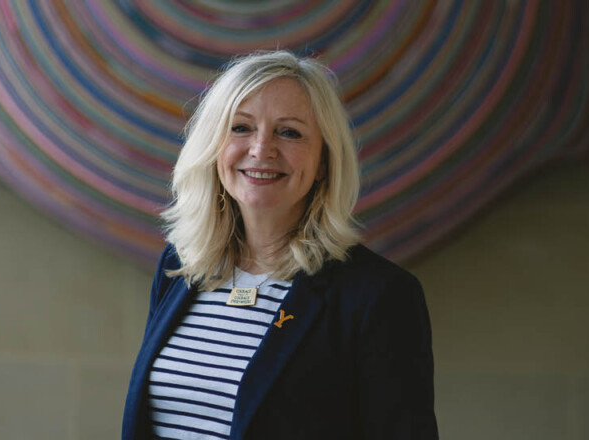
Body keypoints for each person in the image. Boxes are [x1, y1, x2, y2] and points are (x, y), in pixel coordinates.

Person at [122, 50, 437, 440]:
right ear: (213, 147)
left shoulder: (378, 296)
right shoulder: (181, 267)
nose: (261, 149)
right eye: (241, 127)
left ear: (324, 161)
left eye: (289, 132)